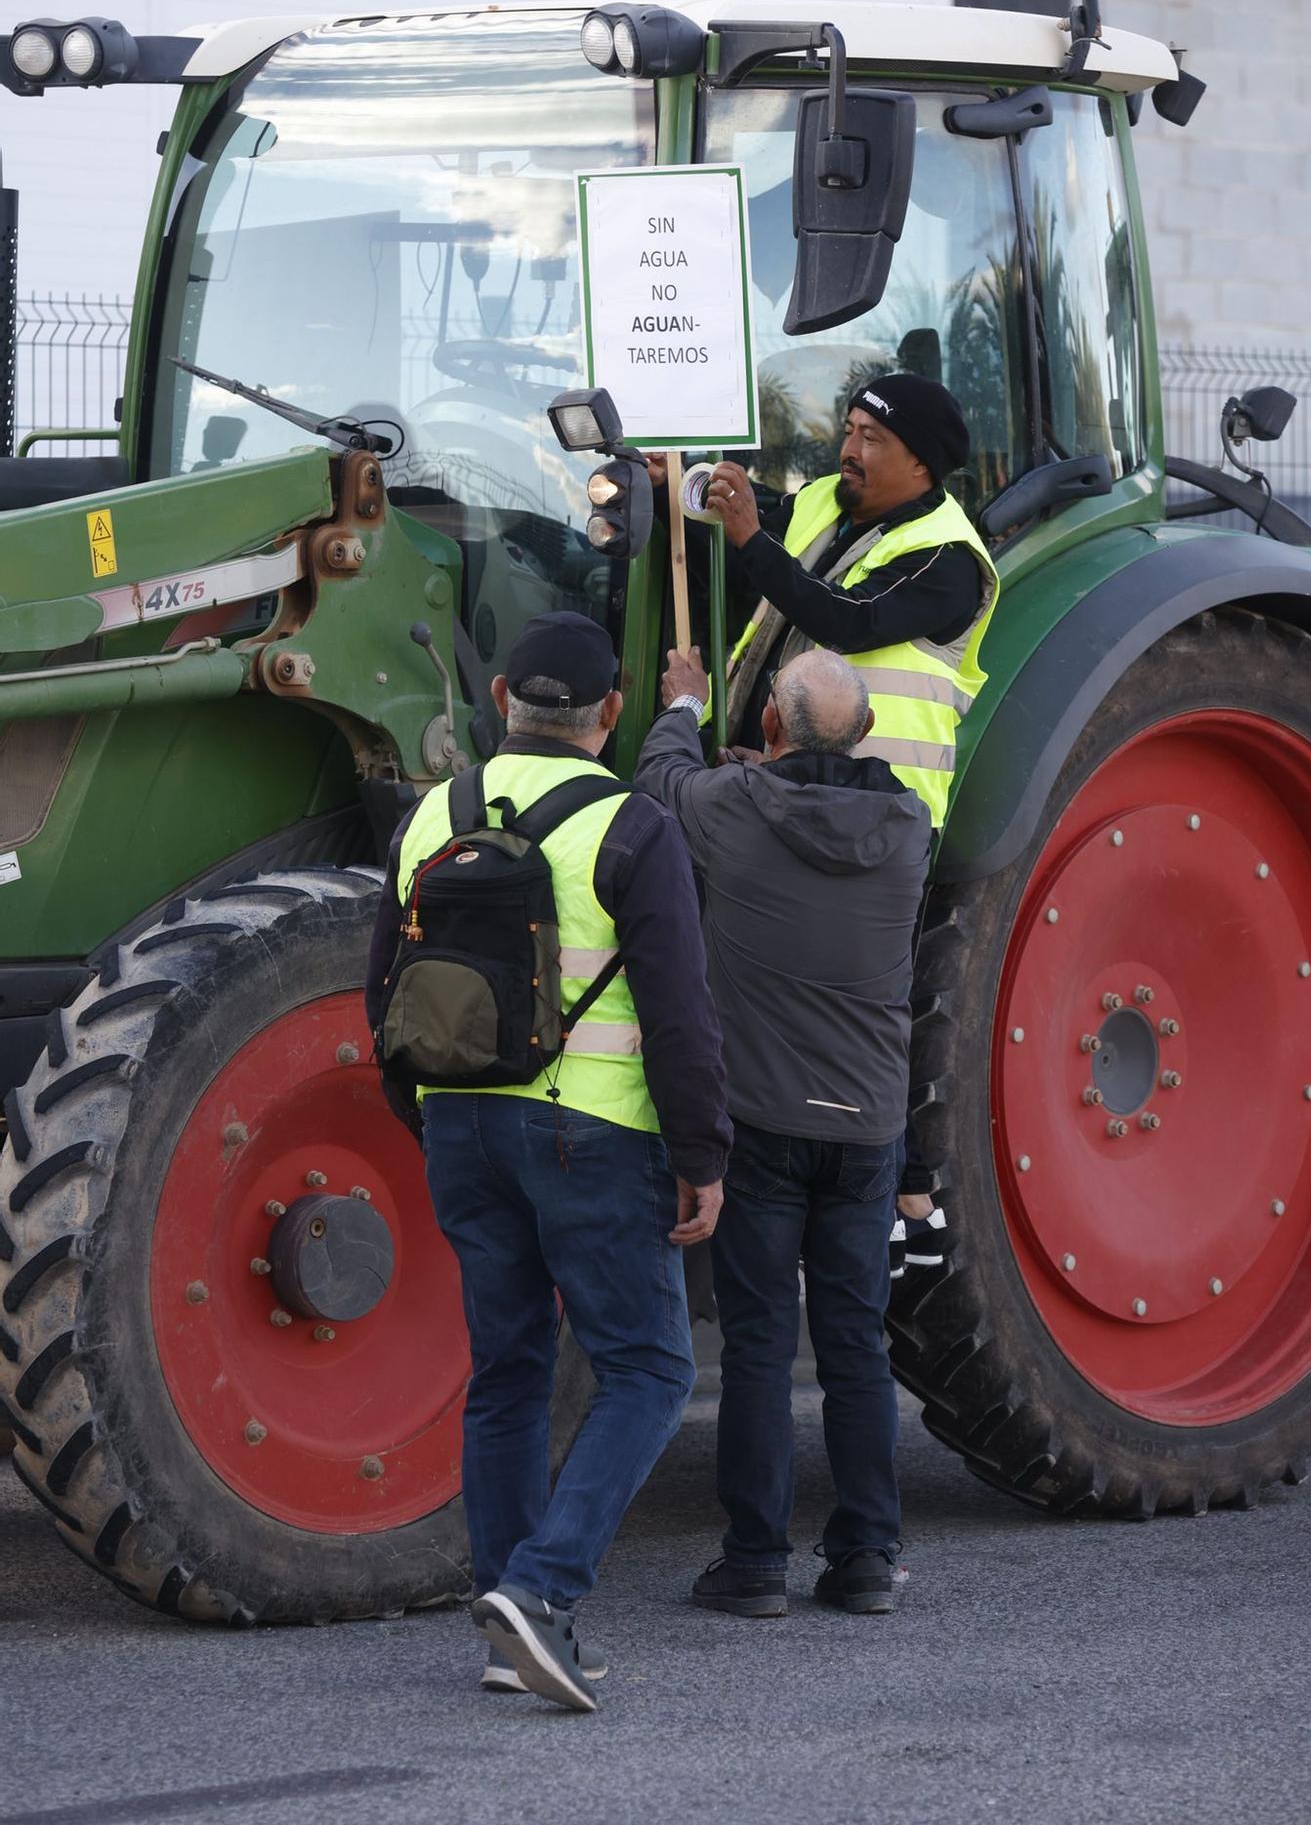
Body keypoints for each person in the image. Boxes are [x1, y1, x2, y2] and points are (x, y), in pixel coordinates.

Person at [365, 611, 730, 1713]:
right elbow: (677, 1011)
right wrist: (702, 1151)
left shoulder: (432, 812)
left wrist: (427, 1114)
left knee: (511, 1368)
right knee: (650, 1367)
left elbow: (380, 989)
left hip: (462, 1128)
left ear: (499, 705)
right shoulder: (631, 823)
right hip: (588, 1132)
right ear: (610, 712)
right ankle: (541, 1585)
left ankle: (504, 1617)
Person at [635, 643, 932, 1618]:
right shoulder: (905, 826)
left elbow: (659, 784)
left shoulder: (732, 807)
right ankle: (863, 1557)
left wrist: (681, 704)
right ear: (869, 732)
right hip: (867, 1127)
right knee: (853, 1343)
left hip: (758, 1118)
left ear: (768, 725)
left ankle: (755, 1560)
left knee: (758, 1344)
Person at [705, 372, 999, 831]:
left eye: (871, 438)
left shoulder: (946, 558)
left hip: (875, 820)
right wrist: (675, 486)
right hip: (782, 782)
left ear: (920, 463)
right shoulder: (825, 500)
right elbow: (751, 522)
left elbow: (850, 620)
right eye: (848, 432)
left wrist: (752, 538)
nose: (849, 452)